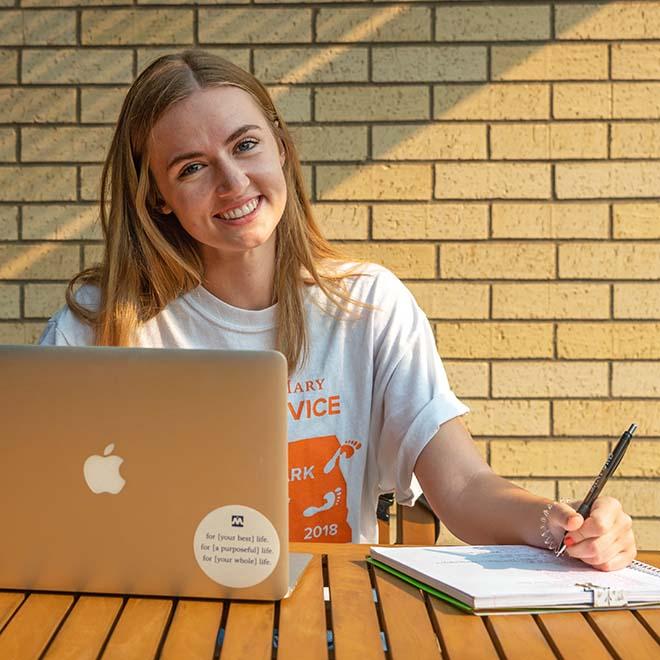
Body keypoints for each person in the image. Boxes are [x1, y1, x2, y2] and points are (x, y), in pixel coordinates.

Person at [39, 50, 636, 570]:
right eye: (191, 167)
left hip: (329, 621)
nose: (232, 181)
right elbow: (35, 503)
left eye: (245, 145)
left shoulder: (368, 305)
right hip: (154, 620)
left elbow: (462, 487)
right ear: (155, 197)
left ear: (281, 147)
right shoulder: (100, 322)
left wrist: (558, 525)